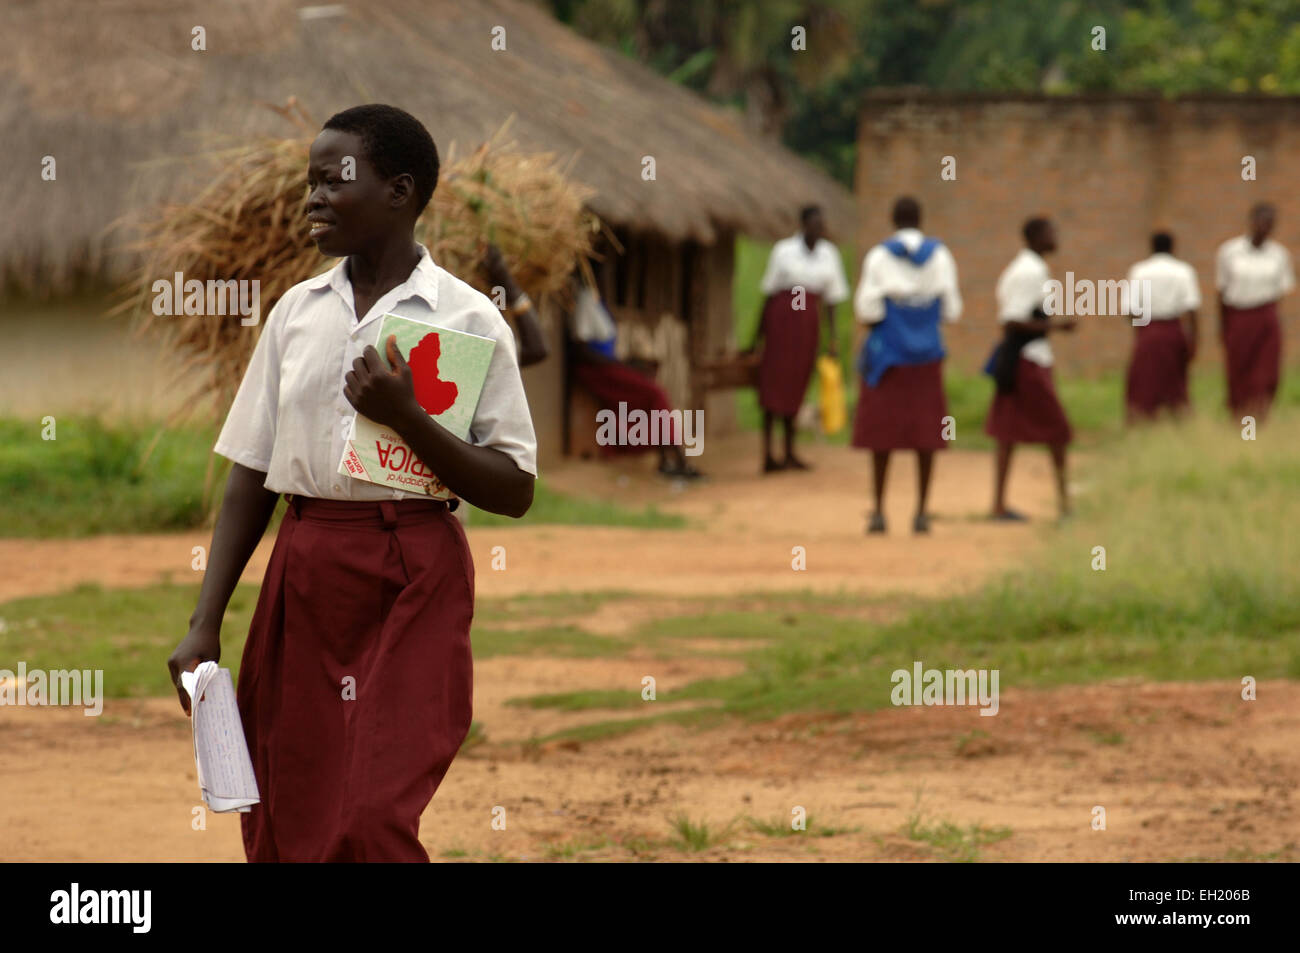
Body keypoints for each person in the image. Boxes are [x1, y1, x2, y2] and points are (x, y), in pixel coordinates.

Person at [166, 104, 538, 862]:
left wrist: (410, 418)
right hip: (304, 572)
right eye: (309, 183)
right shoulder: (295, 315)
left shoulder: (468, 320)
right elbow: (250, 471)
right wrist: (206, 620)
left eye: (334, 180)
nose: (314, 199)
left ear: (400, 191)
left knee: (371, 814)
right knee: (289, 808)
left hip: (415, 574)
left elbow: (514, 486)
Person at [851, 196, 961, 534]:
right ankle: (922, 513)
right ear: (921, 219)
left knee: (882, 435)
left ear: (892, 220)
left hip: (890, 358)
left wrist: (894, 311)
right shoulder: (940, 255)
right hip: (927, 357)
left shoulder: (879, 256)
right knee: (927, 434)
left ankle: (880, 511)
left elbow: (867, 310)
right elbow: (952, 311)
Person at [984, 217, 1076, 521]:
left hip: (1027, 358)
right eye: (1052, 231)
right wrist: (1057, 326)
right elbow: (1011, 319)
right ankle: (1064, 505)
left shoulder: (1028, 268)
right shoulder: (1029, 272)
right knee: (1058, 430)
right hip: (1027, 360)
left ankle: (999, 504)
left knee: (1008, 432)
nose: (1056, 236)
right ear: (1036, 236)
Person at [566, 280, 702, 478]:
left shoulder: (598, 303)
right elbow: (581, 348)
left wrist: (627, 364)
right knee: (655, 394)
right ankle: (677, 458)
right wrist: (620, 366)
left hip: (607, 368)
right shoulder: (586, 301)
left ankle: (669, 457)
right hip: (597, 372)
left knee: (653, 393)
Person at [751, 205, 849, 473]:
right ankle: (768, 454)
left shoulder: (829, 254)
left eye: (821, 225)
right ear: (803, 224)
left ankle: (790, 452)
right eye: (814, 224)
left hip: (807, 325)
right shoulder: (784, 251)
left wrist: (833, 340)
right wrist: (757, 337)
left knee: (796, 384)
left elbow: (832, 301)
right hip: (783, 321)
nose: (819, 229)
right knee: (773, 385)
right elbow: (769, 293)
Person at [1215, 202, 1295, 421]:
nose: (1265, 227)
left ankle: (1260, 416)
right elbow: (1221, 291)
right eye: (1262, 221)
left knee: (1267, 371)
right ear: (1251, 222)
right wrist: (1223, 325)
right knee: (1239, 368)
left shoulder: (1279, 255)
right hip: (1238, 316)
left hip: (1266, 317)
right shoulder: (1230, 252)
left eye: (1270, 223)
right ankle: (1239, 418)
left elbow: (1281, 290)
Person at [1124, 232, 1200, 422]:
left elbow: (1129, 310)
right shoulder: (1183, 271)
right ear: (1173, 247)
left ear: (1151, 247)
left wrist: (1142, 331)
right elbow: (1191, 309)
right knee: (1175, 381)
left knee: (1144, 381)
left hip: (1148, 330)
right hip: (1174, 330)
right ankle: (1178, 421)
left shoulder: (1139, 271)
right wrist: (1193, 339)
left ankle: (1142, 420)